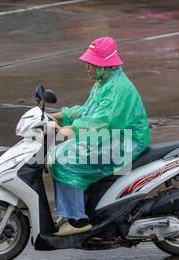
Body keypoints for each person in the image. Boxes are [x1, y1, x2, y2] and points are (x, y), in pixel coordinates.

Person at [47, 37, 151, 237]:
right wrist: (58, 115)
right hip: (112, 136)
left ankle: (78, 221)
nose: (87, 67)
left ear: (104, 65)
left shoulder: (118, 88)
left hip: (126, 141)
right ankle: (71, 211)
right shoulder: (104, 83)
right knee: (57, 155)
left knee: (64, 160)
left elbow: (103, 121)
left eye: (92, 64)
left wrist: (69, 130)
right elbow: (88, 111)